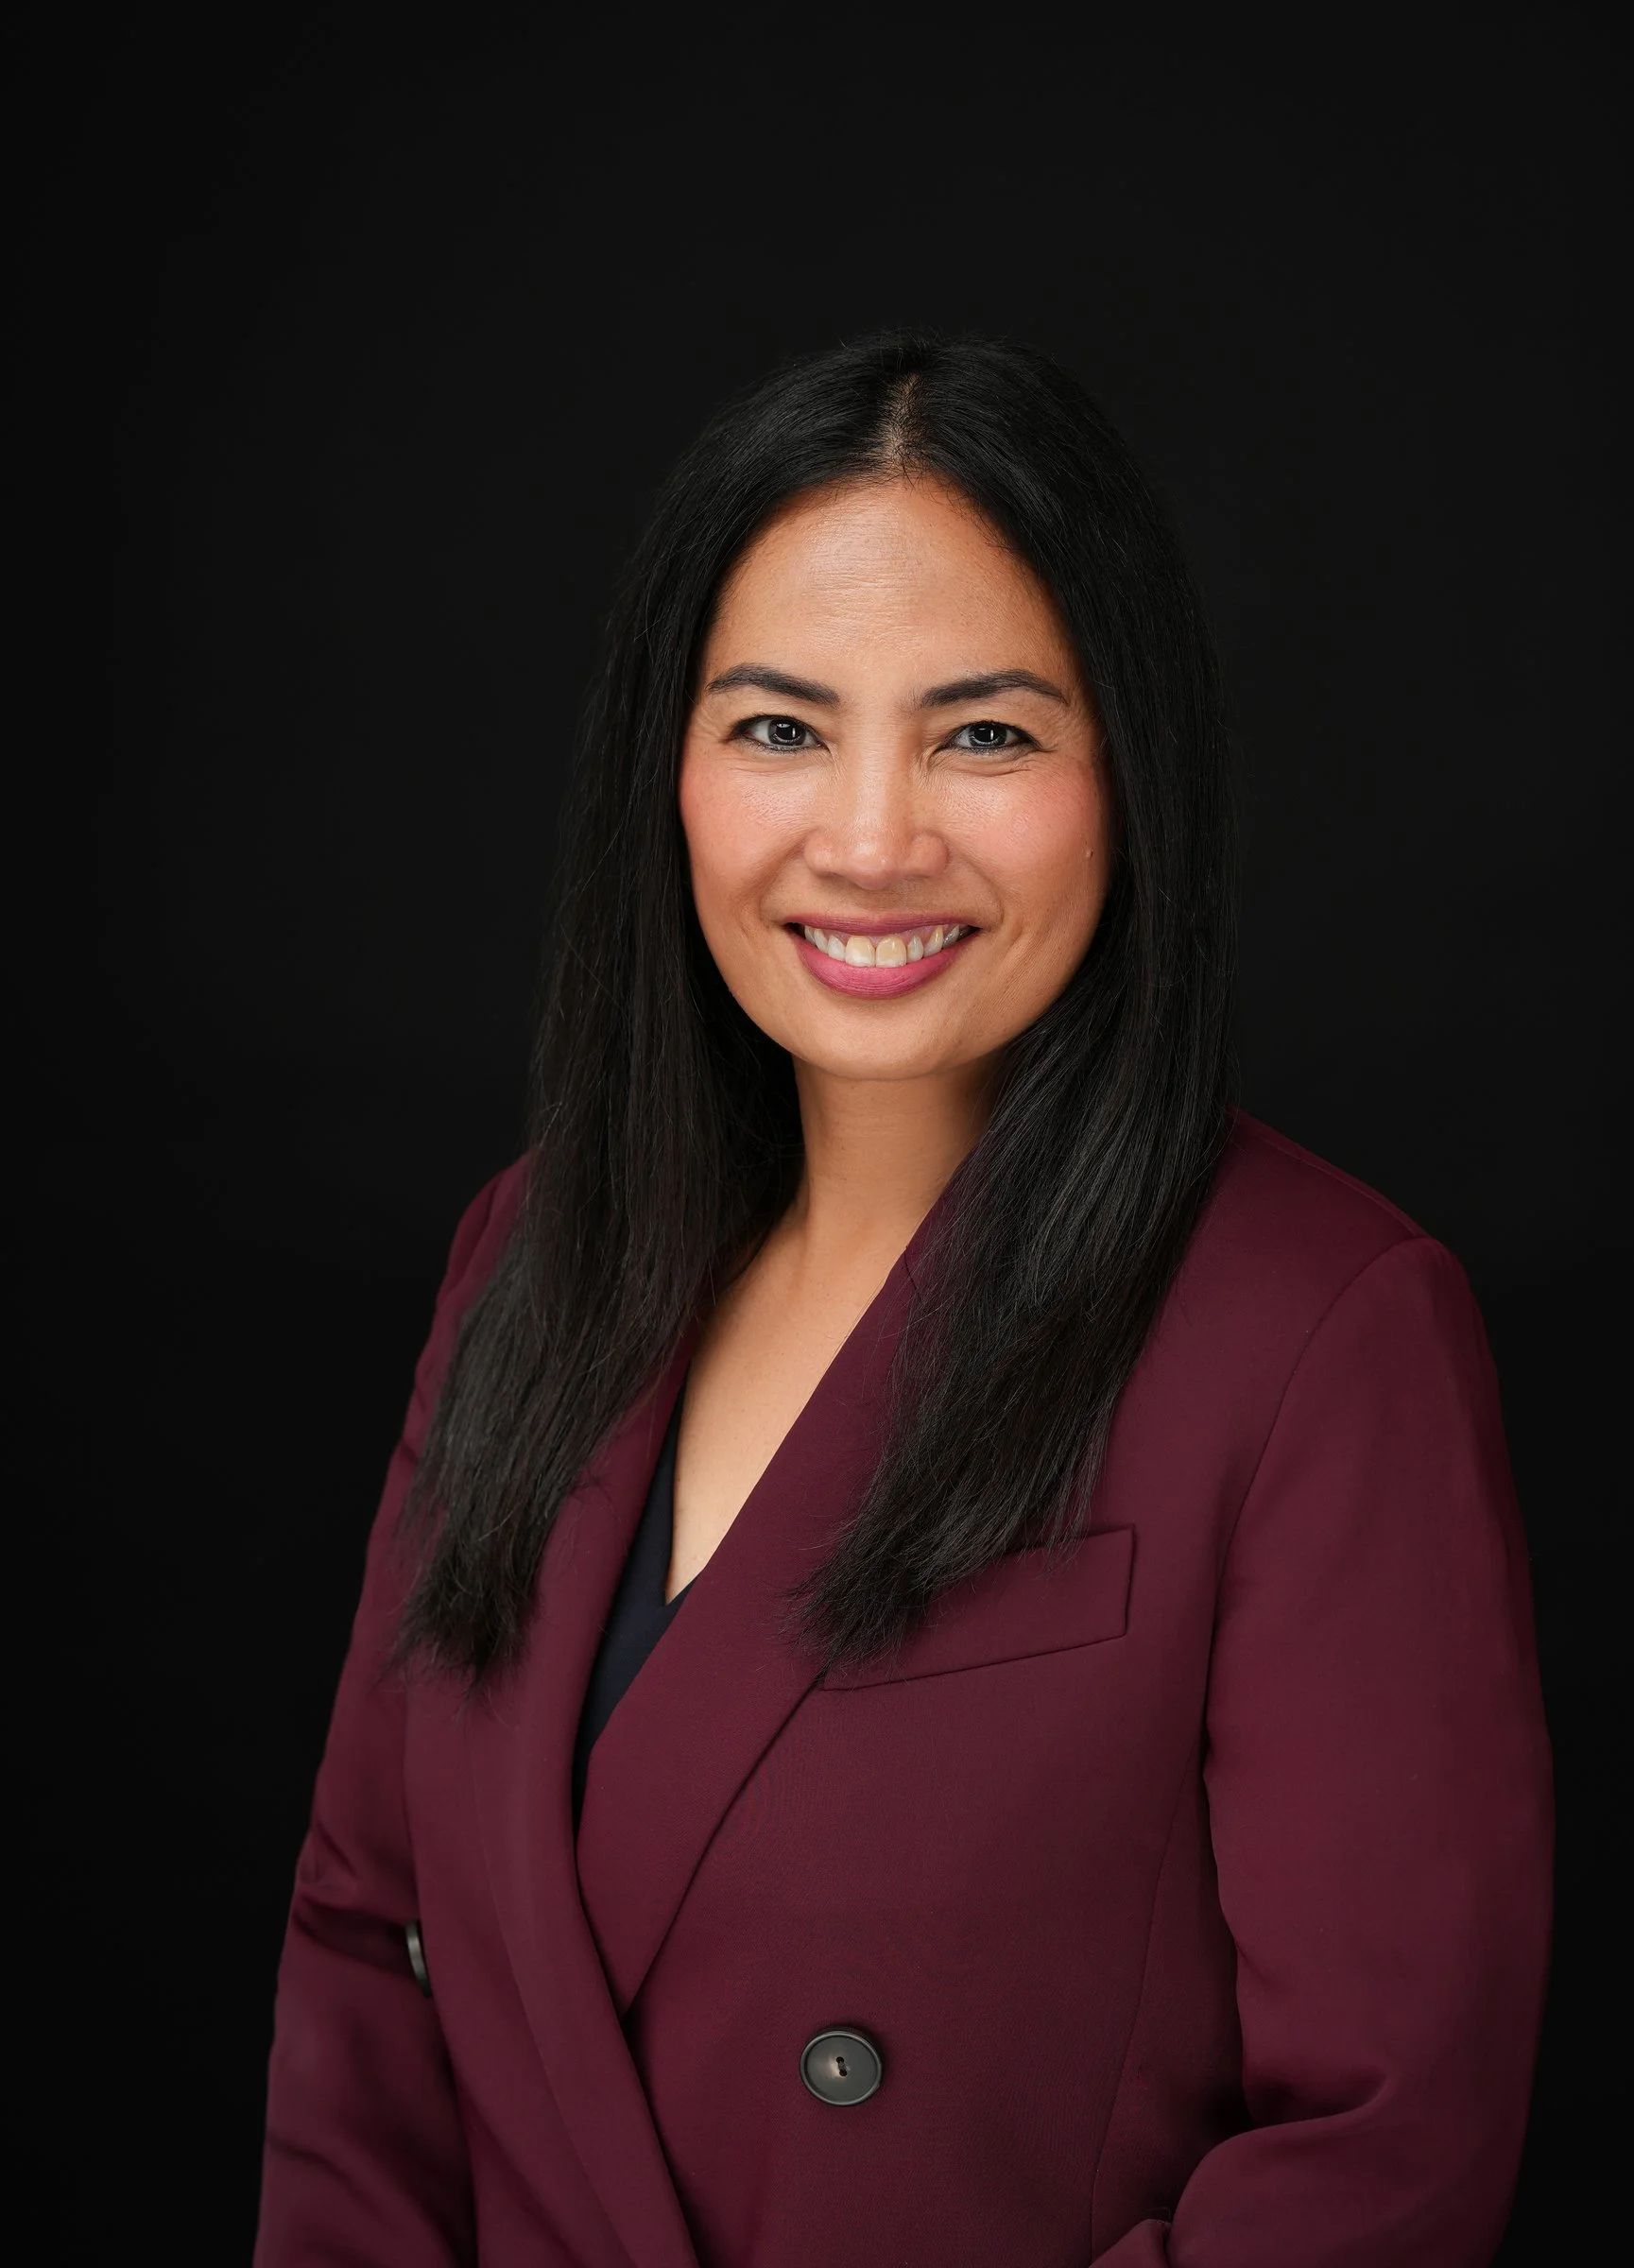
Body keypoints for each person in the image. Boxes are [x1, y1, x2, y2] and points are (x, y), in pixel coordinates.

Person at [254, 329, 1553, 2268]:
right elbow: (374, 1949)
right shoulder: (530, 1255)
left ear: (1131, 769)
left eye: (987, 732)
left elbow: (1381, 2149)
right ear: (666, 771)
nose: (869, 839)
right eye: (779, 727)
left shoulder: (1321, 1331)